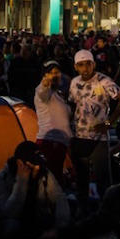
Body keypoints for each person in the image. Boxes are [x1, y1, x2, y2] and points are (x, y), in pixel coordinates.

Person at [0, 140, 70, 239]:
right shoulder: (1, 179)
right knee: (11, 226)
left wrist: (61, 226)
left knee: (57, 228)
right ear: (20, 164)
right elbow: (10, 212)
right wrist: (21, 182)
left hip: (35, 217)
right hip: (9, 221)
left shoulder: (43, 174)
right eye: (33, 166)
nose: (37, 169)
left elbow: (59, 198)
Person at [68, 49, 120, 212]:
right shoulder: (74, 82)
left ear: (93, 64)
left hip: (99, 139)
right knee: (81, 179)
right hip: (79, 137)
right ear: (76, 67)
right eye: (81, 65)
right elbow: (72, 105)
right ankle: (82, 212)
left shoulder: (104, 81)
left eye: (88, 64)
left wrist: (109, 122)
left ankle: (108, 213)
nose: (85, 68)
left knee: (104, 180)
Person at [33, 60, 72, 190]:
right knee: (51, 180)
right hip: (49, 142)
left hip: (60, 143)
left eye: (57, 72)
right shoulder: (43, 91)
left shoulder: (58, 94)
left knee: (57, 177)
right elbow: (42, 93)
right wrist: (45, 83)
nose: (56, 75)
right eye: (51, 73)